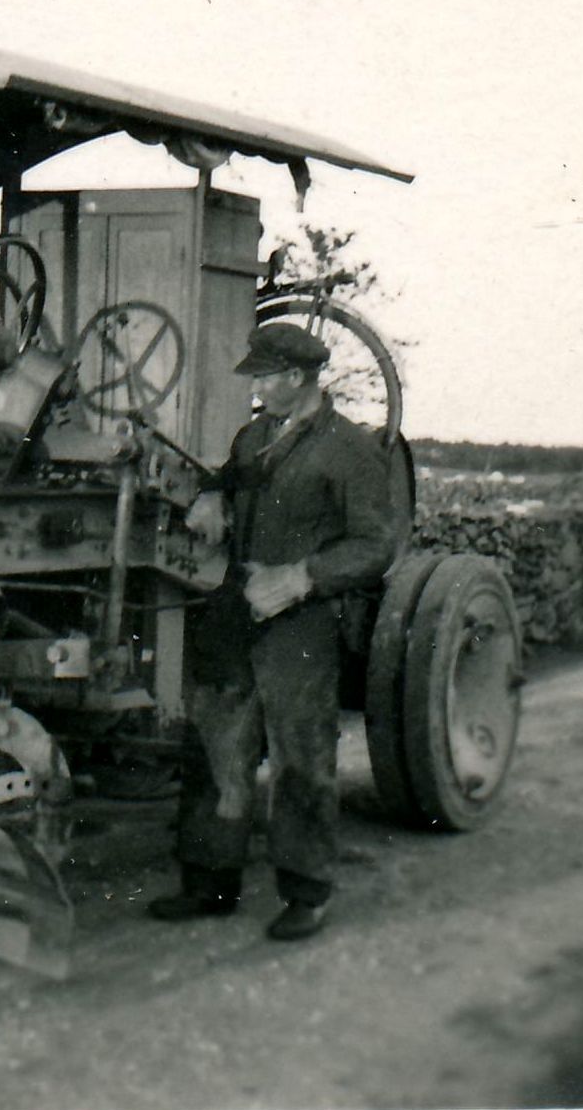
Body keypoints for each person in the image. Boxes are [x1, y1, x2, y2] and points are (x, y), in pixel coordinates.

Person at [148, 321, 396, 941]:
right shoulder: (255, 435)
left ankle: (306, 892)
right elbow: (231, 476)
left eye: (263, 376)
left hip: (301, 624)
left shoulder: (351, 449)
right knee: (215, 743)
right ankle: (210, 881)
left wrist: (300, 577)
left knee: (300, 757)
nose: (255, 386)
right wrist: (209, 493)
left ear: (297, 378)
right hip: (237, 613)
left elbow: (375, 545)